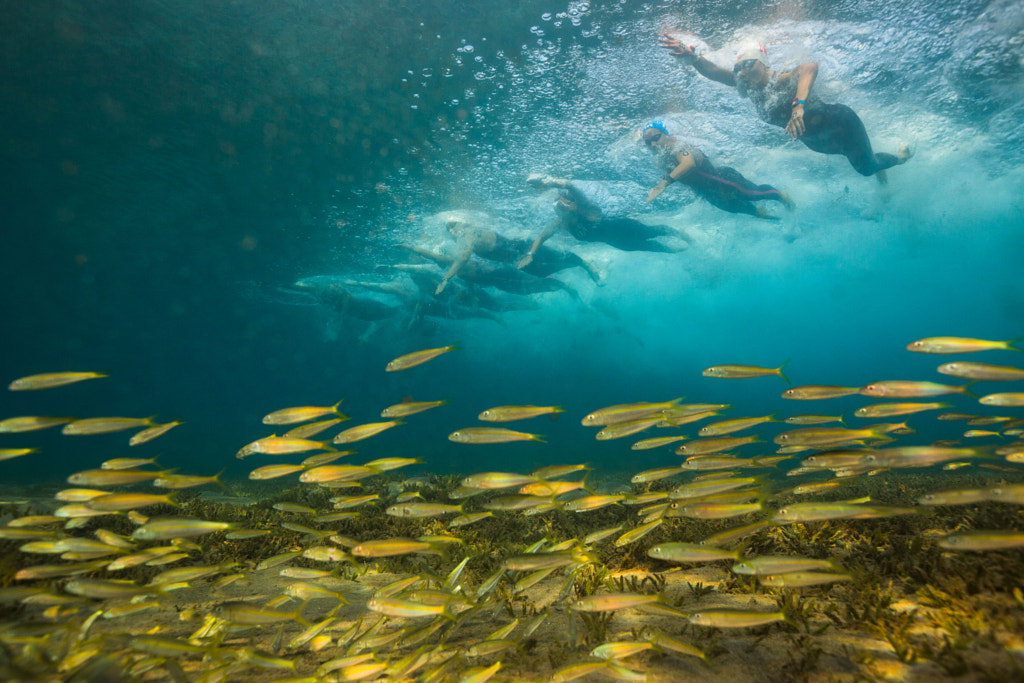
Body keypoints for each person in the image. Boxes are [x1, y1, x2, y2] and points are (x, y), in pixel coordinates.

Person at [658, 36, 912, 180]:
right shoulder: (748, 88)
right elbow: (713, 71)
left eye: (748, 64)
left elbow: (809, 68)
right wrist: (692, 57)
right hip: (818, 142)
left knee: (865, 168)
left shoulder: (778, 77)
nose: (743, 72)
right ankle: (875, 163)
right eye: (739, 68)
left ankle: (900, 157)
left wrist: (798, 107)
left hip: (842, 125)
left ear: (763, 64)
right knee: (862, 162)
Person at [521, 174, 689, 265]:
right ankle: (687, 252)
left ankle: (687, 237)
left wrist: (550, 181)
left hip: (627, 228)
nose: (561, 204)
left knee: (656, 231)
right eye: (558, 203)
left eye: (565, 201)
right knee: (658, 248)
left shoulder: (584, 208)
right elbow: (541, 238)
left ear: (572, 202)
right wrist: (530, 255)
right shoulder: (561, 224)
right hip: (621, 244)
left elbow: (572, 186)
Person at [642, 120, 793, 219]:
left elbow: (688, 163)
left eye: (656, 138)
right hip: (709, 193)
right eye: (648, 142)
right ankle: (759, 212)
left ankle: (781, 196)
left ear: (666, 134)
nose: (653, 145)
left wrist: (662, 184)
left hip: (724, 180)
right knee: (734, 207)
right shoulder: (662, 158)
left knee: (752, 194)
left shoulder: (678, 146)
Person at [436, 216, 601, 294]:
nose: (452, 231)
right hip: (517, 257)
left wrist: (446, 278)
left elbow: (464, 257)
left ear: (459, 226)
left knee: (558, 258)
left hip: (523, 247)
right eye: (450, 228)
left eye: (452, 227)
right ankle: (580, 265)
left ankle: (585, 264)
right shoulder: (469, 232)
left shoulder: (467, 236)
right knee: (542, 272)